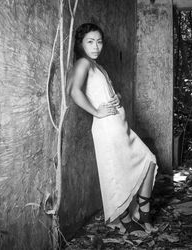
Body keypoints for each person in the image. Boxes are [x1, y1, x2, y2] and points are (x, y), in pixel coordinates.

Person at [67, 23, 158, 234]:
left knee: (148, 160)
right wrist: (96, 112)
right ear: (81, 44)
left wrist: (117, 97)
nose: (96, 46)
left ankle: (140, 212)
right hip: (108, 129)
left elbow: (109, 92)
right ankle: (130, 216)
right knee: (118, 174)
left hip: (120, 127)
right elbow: (74, 91)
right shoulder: (83, 63)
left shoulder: (98, 66)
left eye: (99, 41)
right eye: (90, 41)